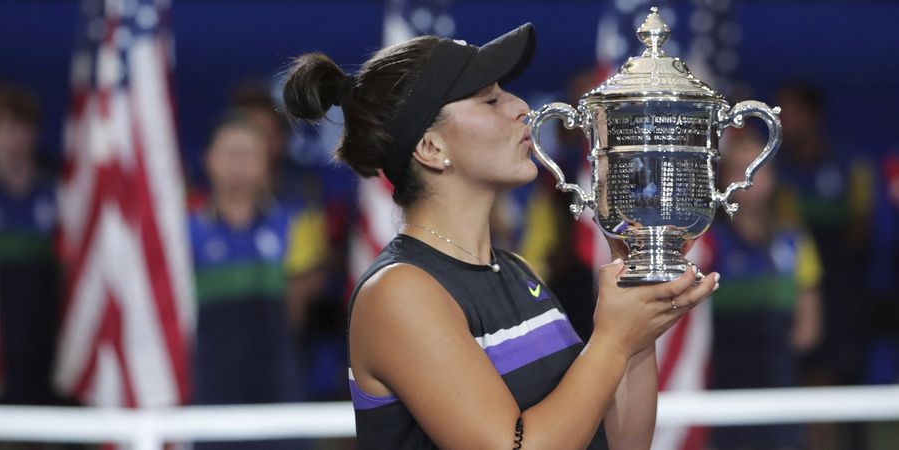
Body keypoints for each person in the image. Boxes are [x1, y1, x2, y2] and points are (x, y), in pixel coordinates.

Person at [282, 23, 718, 449]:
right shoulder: (400, 292)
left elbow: (623, 441)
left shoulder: (515, 270)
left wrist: (635, 325)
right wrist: (612, 340)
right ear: (431, 148)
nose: (521, 107)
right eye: (490, 100)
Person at [188, 110, 324, 449]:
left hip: (279, 387)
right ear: (209, 160)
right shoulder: (181, 233)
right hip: (208, 390)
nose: (239, 162)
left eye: (248, 153)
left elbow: (297, 312)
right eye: (230, 152)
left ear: (266, 162)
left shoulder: (297, 223)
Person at [706, 130, 823, 450]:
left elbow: (808, 330)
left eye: (759, 170)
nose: (749, 181)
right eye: (739, 170)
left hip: (778, 383)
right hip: (720, 385)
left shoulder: (795, 242)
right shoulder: (705, 245)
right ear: (721, 178)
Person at [0, 82, 63, 407]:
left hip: (51, 352)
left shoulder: (61, 197)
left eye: (21, 127)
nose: (14, 139)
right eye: (5, 127)